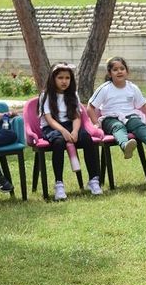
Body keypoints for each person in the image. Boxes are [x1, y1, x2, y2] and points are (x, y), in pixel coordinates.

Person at [39, 63, 102, 201]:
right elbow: (49, 119)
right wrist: (63, 131)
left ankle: (93, 180)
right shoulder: (46, 95)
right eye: (60, 77)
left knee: (86, 139)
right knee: (59, 142)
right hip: (52, 127)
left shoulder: (73, 94)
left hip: (70, 125)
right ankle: (59, 184)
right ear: (53, 78)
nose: (64, 81)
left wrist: (74, 131)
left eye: (67, 78)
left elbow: (76, 117)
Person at [87, 56, 146, 159]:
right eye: (115, 70)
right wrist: (96, 123)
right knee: (118, 126)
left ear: (127, 71)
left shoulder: (132, 87)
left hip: (129, 116)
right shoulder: (105, 88)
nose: (119, 72)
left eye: (122, 69)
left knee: (138, 124)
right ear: (110, 74)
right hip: (110, 119)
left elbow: (144, 104)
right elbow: (90, 106)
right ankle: (125, 146)